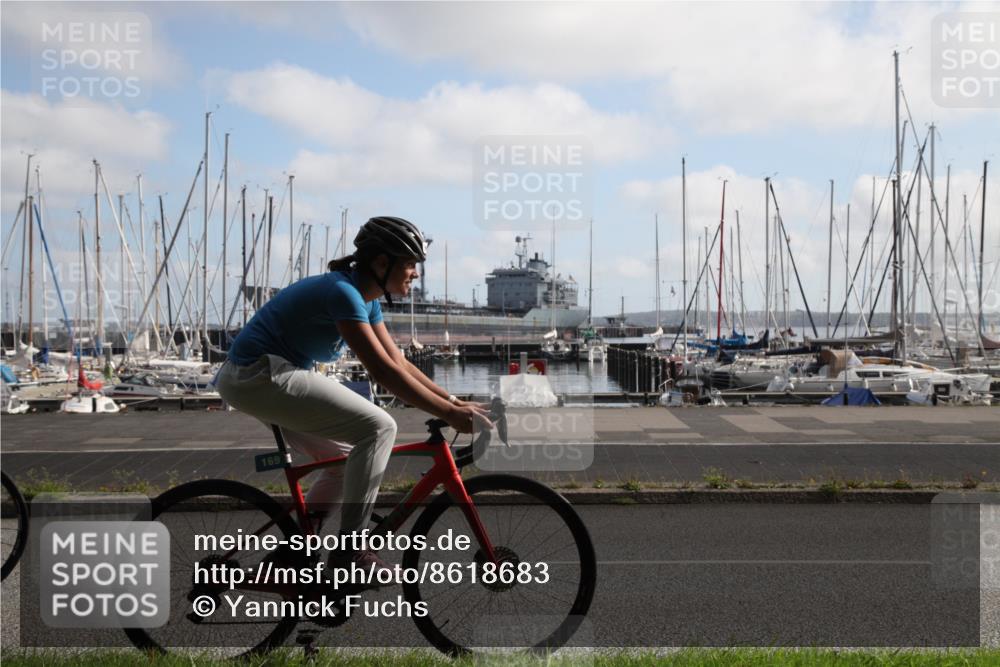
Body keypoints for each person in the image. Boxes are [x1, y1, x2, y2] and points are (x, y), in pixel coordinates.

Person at [214, 216, 490, 575]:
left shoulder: (366, 299)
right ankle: (350, 552)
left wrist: (453, 403)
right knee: (378, 428)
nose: (415, 273)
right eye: (409, 264)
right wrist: (450, 415)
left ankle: (294, 552)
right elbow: (383, 372)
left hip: (263, 375)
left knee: (343, 462)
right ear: (380, 263)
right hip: (259, 374)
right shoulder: (342, 293)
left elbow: (398, 362)